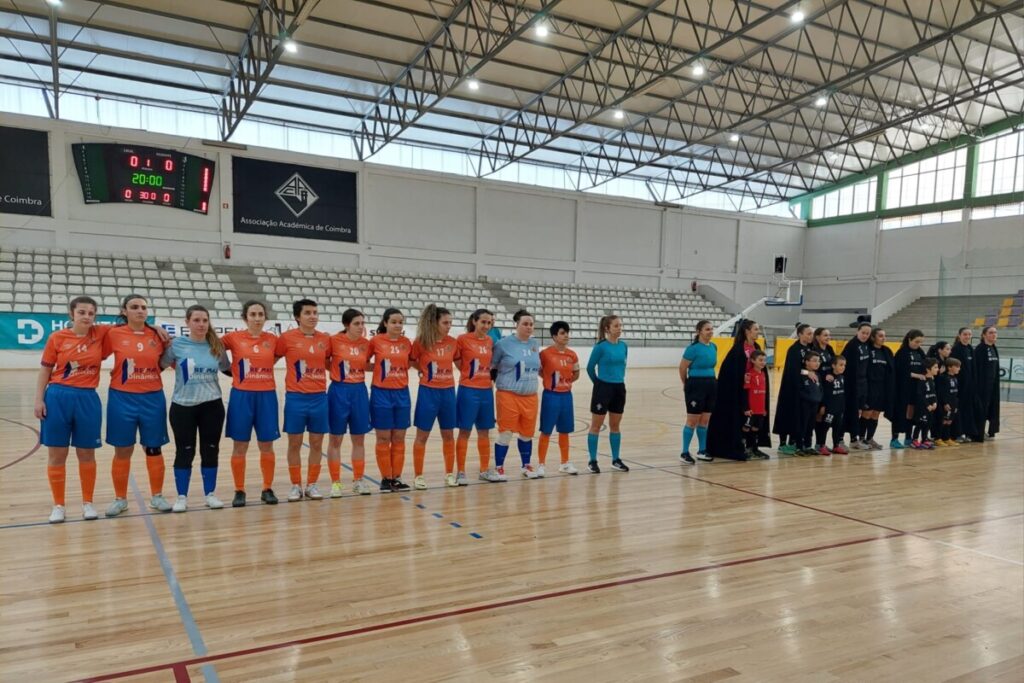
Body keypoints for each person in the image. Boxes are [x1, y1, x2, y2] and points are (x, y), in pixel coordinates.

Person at [35, 296, 108, 523]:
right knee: (57, 453)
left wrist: (153, 326)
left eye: (91, 313)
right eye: (82, 312)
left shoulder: (101, 334)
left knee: (86, 453)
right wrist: (39, 400)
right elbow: (45, 371)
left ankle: (88, 503)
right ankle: (59, 505)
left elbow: (131, 326)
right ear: (72, 314)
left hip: (87, 398)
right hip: (58, 396)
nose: (86, 316)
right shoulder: (57, 338)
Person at [103, 294, 172, 517]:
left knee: (153, 448)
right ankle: (120, 499)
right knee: (123, 449)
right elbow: (94, 353)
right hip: (122, 398)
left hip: (152, 398)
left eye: (143, 307)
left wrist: (154, 327)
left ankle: (157, 496)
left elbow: (168, 362)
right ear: (124, 311)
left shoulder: (158, 335)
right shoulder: (112, 333)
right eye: (134, 307)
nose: (140, 311)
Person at [161, 305, 230, 512]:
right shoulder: (176, 345)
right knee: (184, 451)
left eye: (204, 320)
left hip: (212, 405)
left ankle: (210, 494)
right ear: (187, 322)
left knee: (210, 450)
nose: (201, 324)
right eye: (197, 320)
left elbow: (226, 368)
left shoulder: (216, 345)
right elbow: (161, 364)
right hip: (183, 407)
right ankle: (182, 497)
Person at [222, 300, 281, 506]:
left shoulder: (273, 340)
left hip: (266, 396)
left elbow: (281, 355)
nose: (257, 318)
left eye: (260, 314)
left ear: (265, 317)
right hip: (241, 396)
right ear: (245, 317)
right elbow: (211, 345)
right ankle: (239, 490)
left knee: (267, 445)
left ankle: (267, 488)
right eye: (253, 315)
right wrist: (228, 369)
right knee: (240, 445)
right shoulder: (233, 337)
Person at [275, 299, 332, 502]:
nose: (313, 316)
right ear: (298, 317)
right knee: (295, 443)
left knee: (317, 443)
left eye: (315, 312)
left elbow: (330, 363)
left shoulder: (325, 339)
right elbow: (269, 359)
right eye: (308, 312)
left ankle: (312, 484)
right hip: (296, 398)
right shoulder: (286, 338)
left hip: (319, 398)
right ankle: (295, 485)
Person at [410, 304, 460, 489]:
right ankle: (418, 476)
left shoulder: (453, 342)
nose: (449, 326)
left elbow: (458, 361)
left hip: (448, 392)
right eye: (445, 323)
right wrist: (423, 371)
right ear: (435, 323)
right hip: (428, 393)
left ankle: (449, 473)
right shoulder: (421, 342)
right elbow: (412, 360)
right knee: (422, 435)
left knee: (448, 435)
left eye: (451, 323)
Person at [706, 319, 770, 460]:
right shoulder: (738, 349)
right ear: (747, 331)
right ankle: (739, 447)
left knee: (756, 420)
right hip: (741, 391)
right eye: (755, 329)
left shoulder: (757, 346)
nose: (758, 332)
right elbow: (729, 372)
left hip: (756, 391)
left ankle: (753, 447)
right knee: (744, 421)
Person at [491, 309, 542, 480]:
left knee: (527, 433)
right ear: (517, 325)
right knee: (506, 432)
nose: (529, 327)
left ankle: (526, 465)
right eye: (525, 324)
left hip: (531, 396)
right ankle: (499, 467)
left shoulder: (535, 344)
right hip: (508, 394)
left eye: (531, 324)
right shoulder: (503, 344)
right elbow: (493, 366)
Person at [327, 308, 373, 496]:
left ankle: (358, 480)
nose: (360, 327)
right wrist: (337, 372)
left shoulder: (366, 344)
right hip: (339, 391)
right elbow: (324, 361)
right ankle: (336, 482)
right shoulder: (334, 341)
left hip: (359, 392)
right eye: (356, 324)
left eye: (362, 323)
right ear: (346, 325)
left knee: (359, 439)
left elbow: (367, 364)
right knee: (335, 439)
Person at [456, 309, 502, 483]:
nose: (486, 325)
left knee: (484, 432)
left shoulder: (491, 340)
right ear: (474, 321)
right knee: (464, 432)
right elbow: (458, 361)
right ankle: (460, 471)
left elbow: (493, 364)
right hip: (468, 390)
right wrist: (469, 374)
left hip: (486, 391)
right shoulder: (463, 339)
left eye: (489, 323)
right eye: (483, 322)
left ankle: (484, 469)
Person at [369, 307, 413, 491]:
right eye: (394, 322)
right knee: (383, 437)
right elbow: (363, 362)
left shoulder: (406, 343)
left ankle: (397, 477)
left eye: (400, 322)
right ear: (385, 323)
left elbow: (410, 362)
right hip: (381, 393)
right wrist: (380, 370)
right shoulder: (376, 341)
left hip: (402, 393)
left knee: (399, 437)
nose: (397, 325)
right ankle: (386, 478)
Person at [586, 315, 629, 473]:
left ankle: (615, 459)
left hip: (619, 388)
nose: (619, 328)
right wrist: (599, 385)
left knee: (615, 426)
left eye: (620, 325)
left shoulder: (624, 346)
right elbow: (590, 368)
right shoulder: (601, 347)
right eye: (616, 326)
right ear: (607, 329)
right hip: (603, 388)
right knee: (596, 426)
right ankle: (592, 460)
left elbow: (623, 366)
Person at [538, 321, 580, 476]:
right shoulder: (545, 354)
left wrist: (565, 382)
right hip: (551, 395)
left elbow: (576, 373)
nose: (566, 336)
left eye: (567, 332)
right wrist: (550, 381)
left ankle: (565, 463)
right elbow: (540, 371)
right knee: (546, 431)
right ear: (554, 336)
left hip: (566, 396)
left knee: (565, 431)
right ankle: (541, 464)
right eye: (562, 333)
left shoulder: (572, 354)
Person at [678, 319, 717, 464]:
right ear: (699, 331)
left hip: (711, 384)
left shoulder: (713, 346)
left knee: (705, 420)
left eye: (711, 329)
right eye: (707, 329)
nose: (710, 332)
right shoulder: (692, 349)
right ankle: (684, 452)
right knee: (692, 420)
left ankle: (702, 450)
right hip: (695, 385)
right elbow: (682, 368)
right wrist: (686, 384)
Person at [773, 323, 814, 455]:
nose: (811, 336)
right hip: (790, 388)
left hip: (804, 389)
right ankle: (783, 444)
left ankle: (795, 442)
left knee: (799, 417)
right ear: (800, 334)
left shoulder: (810, 348)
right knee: (787, 414)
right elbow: (793, 370)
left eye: (811, 333)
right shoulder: (794, 349)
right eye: (808, 333)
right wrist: (808, 373)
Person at [892, 329, 927, 449]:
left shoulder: (920, 352)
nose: (918, 344)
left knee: (912, 413)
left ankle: (908, 437)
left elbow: (926, 366)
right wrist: (915, 375)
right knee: (900, 412)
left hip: (916, 388)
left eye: (920, 342)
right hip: (903, 387)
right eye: (916, 342)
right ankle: (894, 438)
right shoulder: (902, 352)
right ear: (909, 340)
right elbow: (900, 371)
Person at [841, 322, 873, 450]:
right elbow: (847, 368)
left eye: (867, 333)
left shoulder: (866, 346)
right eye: (863, 333)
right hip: (851, 385)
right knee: (848, 413)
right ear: (857, 332)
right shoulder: (852, 346)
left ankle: (854, 440)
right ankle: (840, 439)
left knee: (858, 413)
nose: (865, 335)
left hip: (862, 385)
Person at [862, 327, 894, 450]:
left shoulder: (886, 351)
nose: (883, 338)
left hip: (882, 387)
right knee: (867, 413)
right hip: (870, 386)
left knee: (876, 414)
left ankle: (870, 438)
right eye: (880, 336)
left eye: (884, 336)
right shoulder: (868, 350)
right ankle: (860, 438)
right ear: (873, 337)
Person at [740, 349, 770, 460]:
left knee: (756, 429)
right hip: (751, 410)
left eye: (764, 360)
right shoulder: (749, 374)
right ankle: (744, 449)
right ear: (752, 360)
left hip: (760, 410)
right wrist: (746, 408)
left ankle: (754, 448)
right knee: (746, 428)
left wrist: (764, 409)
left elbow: (763, 393)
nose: (763, 362)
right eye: (760, 360)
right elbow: (745, 392)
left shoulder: (763, 374)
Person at [949, 327, 977, 442]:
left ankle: (967, 432)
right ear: (959, 335)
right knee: (957, 409)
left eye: (969, 334)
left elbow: (973, 367)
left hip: (969, 386)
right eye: (965, 334)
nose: (967, 337)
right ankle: (957, 434)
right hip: (959, 385)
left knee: (968, 409)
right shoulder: (956, 349)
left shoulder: (970, 348)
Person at [973, 325, 1000, 441]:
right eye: (991, 333)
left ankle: (991, 431)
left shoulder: (994, 348)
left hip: (993, 386)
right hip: (982, 387)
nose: (994, 335)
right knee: (981, 409)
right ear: (984, 335)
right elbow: (976, 370)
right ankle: (978, 433)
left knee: (993, 408)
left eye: (995, 333)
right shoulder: (979, 349)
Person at [815, 355, 847, 455]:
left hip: (839, 408)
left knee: (838, 427)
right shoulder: (828, 378)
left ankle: (836, 445)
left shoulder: (842, 377)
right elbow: (825, 393)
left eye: (844, 365)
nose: (843, 367)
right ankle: (821, 445)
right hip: (829, 408)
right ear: (833, 365)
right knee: (825, 427)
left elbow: (842, 393)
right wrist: (823, 406)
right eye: (840, 365)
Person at [795, 352, 823, 456]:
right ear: (806, 362)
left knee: (810, 426)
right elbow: (799, 390)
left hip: (814, 405)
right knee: (802, 425)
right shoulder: (801, 375)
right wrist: (809, 398)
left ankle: (808, 445)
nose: (817, 363)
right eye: (814, 360)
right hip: (804, 405)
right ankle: (799, 447)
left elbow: (820, 389)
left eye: (819, 361)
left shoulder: (817, 375)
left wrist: (819, 399)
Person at [910, 358, 939, 449]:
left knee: (928, 424)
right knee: (920, 423)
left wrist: (935, 403)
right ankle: (914, 440)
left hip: (931, 407)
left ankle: (924, 439)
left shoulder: (932, 379)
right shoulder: (922, 379)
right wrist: (927, 405)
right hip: (922, 407)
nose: (937, 369)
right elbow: (920, 394)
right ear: (928, 369)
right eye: (935, 367)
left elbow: (934, 393)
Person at [935, 358, 961, 447]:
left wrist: (956, 404)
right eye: (957, 367)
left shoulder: (955, 378)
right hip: (945, 404)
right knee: (943, 421)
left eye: (959, 367)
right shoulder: (943, 377)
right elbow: (941, 392)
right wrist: (945, 403)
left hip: (953, 403)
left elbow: (955, 392)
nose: (959, 369)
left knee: (949, 421)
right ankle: (938, 438)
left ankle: (946, 438)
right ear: (949, 367)